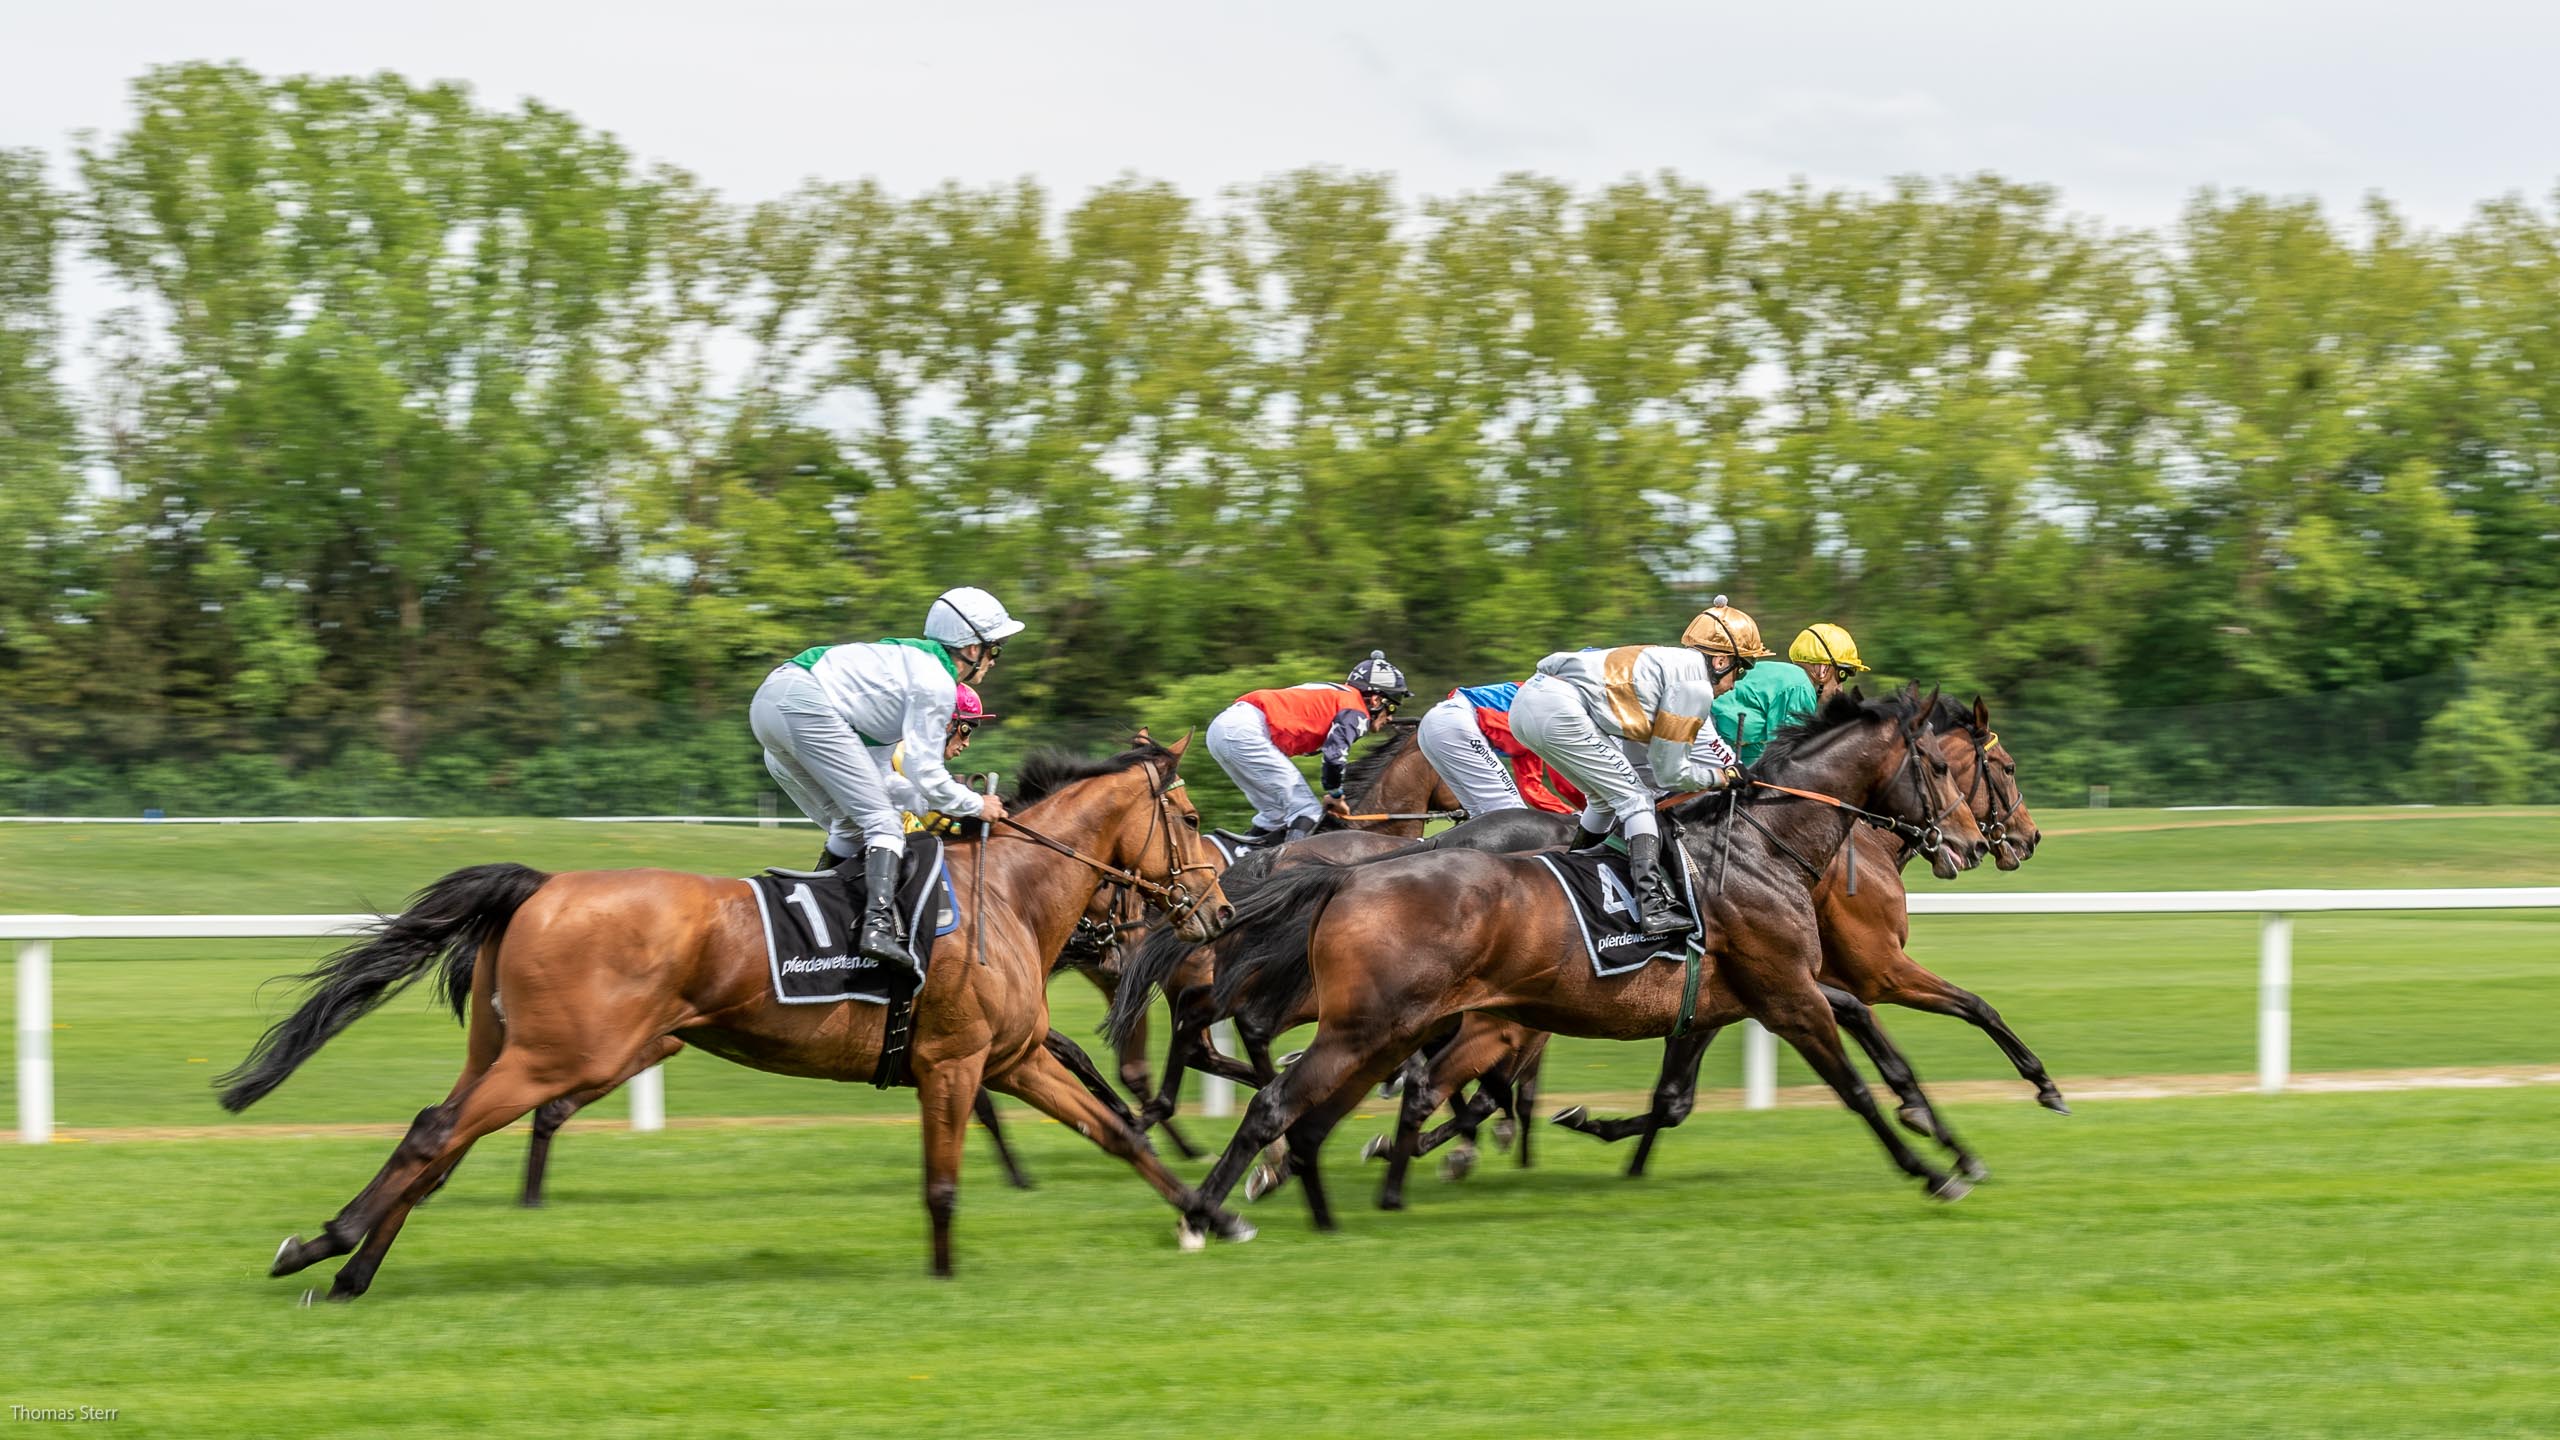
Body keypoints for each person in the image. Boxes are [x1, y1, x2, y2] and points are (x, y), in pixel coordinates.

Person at [750, 587, 1024, 971]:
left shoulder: (907, 669)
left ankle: (816, 921)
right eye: (994, 649)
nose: (994, 661)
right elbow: (925, 772)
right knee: (883, 823)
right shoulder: (935, 681)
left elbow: (884, 775)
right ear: (972, 648)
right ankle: (874, 929)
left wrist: (934, 804)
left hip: (773, 704)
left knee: (853, 822)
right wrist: (977, 804)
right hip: (801, 702)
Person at [1509, 596, 1772, 937]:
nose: (1736, 683)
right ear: (1721, 660)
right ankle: (1653, 908)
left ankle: (1577, 874)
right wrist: (1721, 777)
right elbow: (1668, 774)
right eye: (1742, 668)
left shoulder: (1669, 667)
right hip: (1557, 709)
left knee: (1607, 799)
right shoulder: (1695, 687)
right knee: (1635, 800)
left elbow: (1644, 765)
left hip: (1529, 704)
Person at [1206, 650, 1410, 846]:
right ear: (1376, 700)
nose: (1390, 717)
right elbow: (1334, 757)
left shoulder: (1339, 697)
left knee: (1275, 815)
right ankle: (1287, 873)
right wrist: (1335, 795)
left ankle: (1243, 862)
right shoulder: (1355, 709)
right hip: (1245, 731)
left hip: (1224, 729)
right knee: (1306, 811)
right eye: (1392, 706)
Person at [1415, 679, 1588, 816]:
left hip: (1435, 722)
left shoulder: (1530, 735)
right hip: (1456, 721)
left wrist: (1572, 814)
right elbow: (1566, 784)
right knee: (1511, 816)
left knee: (1484, 816)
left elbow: (1532, 790)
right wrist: (1587, 815)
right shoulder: (1555, 711)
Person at [1714, 622, 1868, 765]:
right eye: (1842, 675)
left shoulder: (1786, 680)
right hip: (1704, 730)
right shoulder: (1801, 687)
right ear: (1823, 669)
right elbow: (1787, 760)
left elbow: (1754, 758)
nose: (1839, 689)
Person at [886, 682, 993, 837]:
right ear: (947, 723)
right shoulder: (903, 752)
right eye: (966, 730)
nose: (967, 743)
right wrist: (978, 808)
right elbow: (914, 829)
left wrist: (960, 824)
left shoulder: (915, 753)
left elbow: (931, 820)